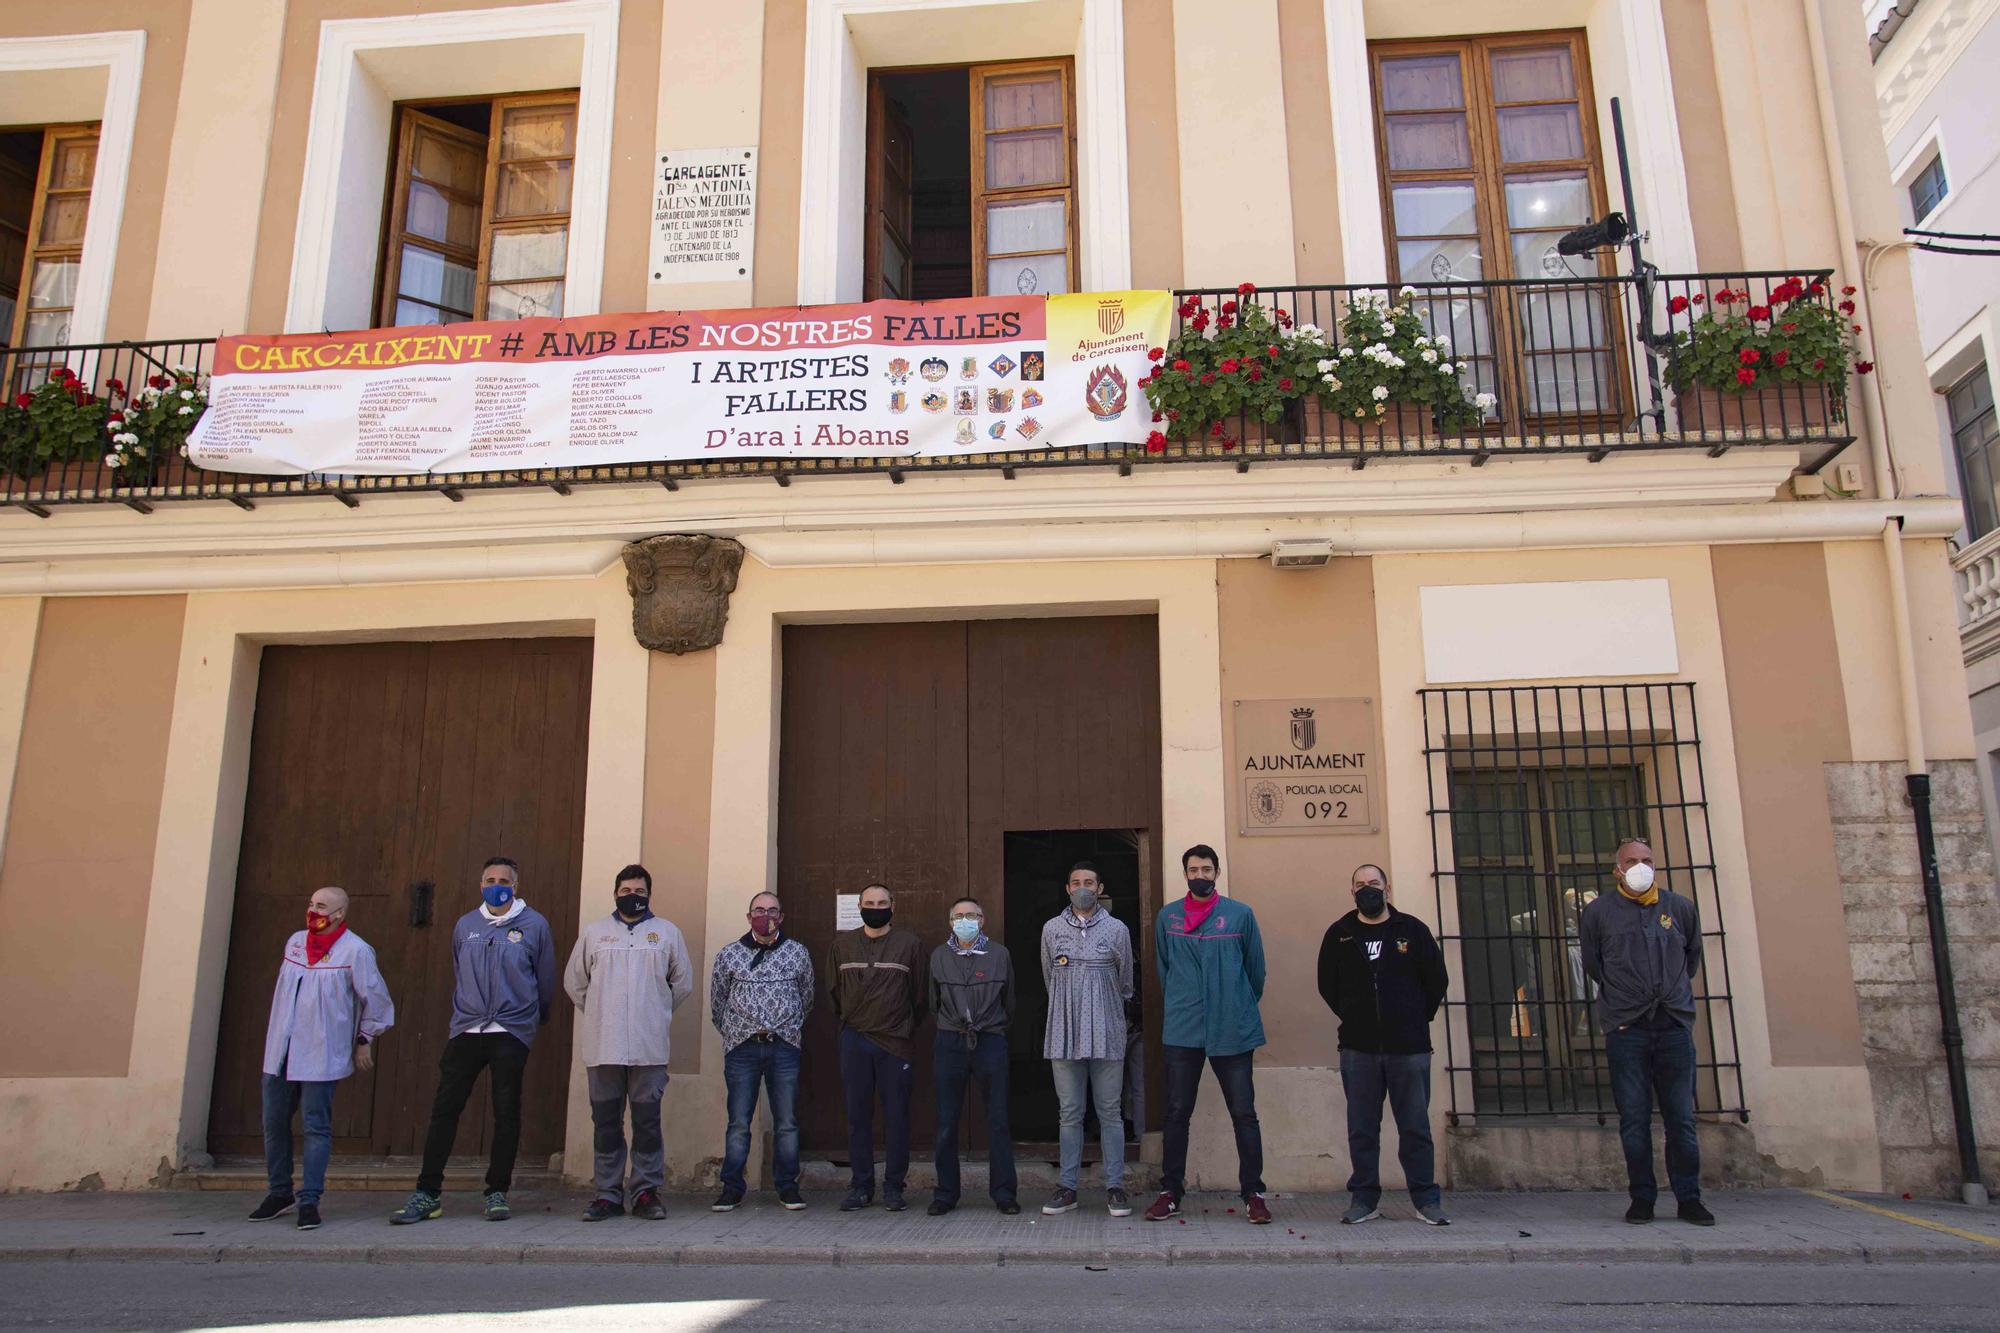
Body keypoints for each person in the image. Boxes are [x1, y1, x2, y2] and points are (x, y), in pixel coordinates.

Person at [390, 856, 557, 1226]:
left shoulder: (534, 925)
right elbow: (458, 968)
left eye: (504, 880)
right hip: (467, 1030)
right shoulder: (466, 925)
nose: (496, 884)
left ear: (516, 885)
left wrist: (531, 1020)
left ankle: (497, 1191)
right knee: (445, 1110)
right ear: (480, 884)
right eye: (489, 879)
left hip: (510, 1031)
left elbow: (545, 979)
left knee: (506, 1112)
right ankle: (427, 1192)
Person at [1580, 838, 1714, 1226]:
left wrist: (1669, 994)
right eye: (1632, 861)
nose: (1640, 867)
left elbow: (1691, 958)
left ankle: (1689, 1198)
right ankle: (1642, 1198)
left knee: (1681, 1120)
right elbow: (1594, 964)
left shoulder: (1680, 908)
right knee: (1634, 1120)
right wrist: (1627, 997)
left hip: (1672, 1025)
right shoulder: (1599, 913)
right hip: (1627, 1028)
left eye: (1647, 860)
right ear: (1617, 869)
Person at [248, 886, 395, 1231]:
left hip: (320, 1051)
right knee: (274, 1123)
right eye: (311, 904)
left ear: (340, 913)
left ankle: (309, 1199)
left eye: (322, 906)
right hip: (282, 1050)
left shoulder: (356, 951)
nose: (314, 910)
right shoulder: (295, 942)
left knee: (316, 1126)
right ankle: (279, 1191)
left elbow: (376, 999)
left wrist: (364, 1041)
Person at [1316, 863, 1450, 1226]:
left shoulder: (1412, 930)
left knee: (1414, 1126)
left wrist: (1412, 1018)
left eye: (1373, 883)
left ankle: (1425, 1199)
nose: (1367, 889)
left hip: (1409, 1048)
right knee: (1361, 1126)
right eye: (1360, 884)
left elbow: (1436, 980)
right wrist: (1354, 1015)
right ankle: (1364, 1198)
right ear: (1352, 892)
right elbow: (1327, 985)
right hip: (1358, 1049)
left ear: (1387, 889)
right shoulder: (1340, 934)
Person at [1146, 845, 1271, 1225]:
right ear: (1184, 873)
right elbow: (1164, 970)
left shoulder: (1239, 915)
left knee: (1244, 1113)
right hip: (1183, 1029)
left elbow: (1256, 972)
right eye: (1193, 870)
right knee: (1177, 1113)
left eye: (1206, 869)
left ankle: (1254, 1193)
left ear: (1217, 872)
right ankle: (1171, 1192)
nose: (1199, 875)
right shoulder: (1168, 917)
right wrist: (1186, 1002)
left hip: (1232, 1027)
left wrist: (1234, 1002)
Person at [565, 863, 693, 1222]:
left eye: (638, 891)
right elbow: (575, 984)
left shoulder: (667, 933)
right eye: (625, 891)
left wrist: (652, 1011)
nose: (632, 896)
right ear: (615, 894)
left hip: (648, 1047)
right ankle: (607, 1194)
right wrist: (603, 1013)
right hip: (603, 1046)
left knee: (647, 1123)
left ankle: (645, 1192)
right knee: (606, 1122)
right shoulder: (595, 933)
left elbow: (681, 984)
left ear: (649, 894)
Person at [709, 890, 815, 1212]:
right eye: (758, 910)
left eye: (772, 910)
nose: (765, 915)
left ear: (781, 917)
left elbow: (807, 997)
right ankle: (732, 1188)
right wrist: (735, 1032)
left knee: (786, 1121)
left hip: (783, 1047)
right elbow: (718, 1001)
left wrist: (787, 1028)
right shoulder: (729, 955)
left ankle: (787, 1187)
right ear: (748, 916)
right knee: (739, 1121)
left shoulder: (797, 953)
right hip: (742, 1048)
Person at [1041, 861, 1135, 1217]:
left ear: (1099, 888)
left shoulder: (1117, 930)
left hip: (1108, 1033)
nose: (1083, 887)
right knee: (1070, 1113)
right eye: (1076, 882)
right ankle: (1067, 1187)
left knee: (1110, 1111)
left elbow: (1126, 981)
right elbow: (1049, 976)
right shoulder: (1051, 929)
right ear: (1067, 888)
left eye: (1089, 882)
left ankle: (1116, 1186)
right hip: (1064, 1034)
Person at [828, 881, 927, 1211]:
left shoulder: (909, 945)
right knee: (857, 1116)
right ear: (859, 907)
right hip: (855, 1039)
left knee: (897, 1116)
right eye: (869, 902)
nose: (875, 907)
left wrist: (901, 1025)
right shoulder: (842, 947)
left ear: (892, 906)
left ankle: (894, 1187)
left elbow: (920, 997)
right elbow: (833, 994)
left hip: (895, 1043)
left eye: (881, 902)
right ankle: (861, 1185)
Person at [928, 896, 1020, 1216]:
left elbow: (1009, 1002)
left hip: (990, 1040)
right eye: (959, 915)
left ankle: (1004, 1193)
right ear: (950, 921)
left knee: (998, 1120)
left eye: (972, 915)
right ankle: (945, 1193)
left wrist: (991, 1026)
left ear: (982, 920)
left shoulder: (999, 954)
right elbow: (932, 1001)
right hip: (949, 1042)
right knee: (946, 1123)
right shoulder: (939, 956)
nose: (965, 920)